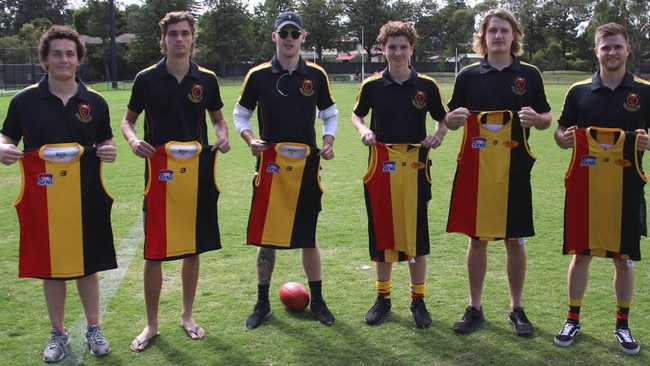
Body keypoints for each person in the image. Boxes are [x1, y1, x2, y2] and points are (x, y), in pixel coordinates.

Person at [0, 25, 116, 362]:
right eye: (57, 54)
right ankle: (58, 332)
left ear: (78, 60)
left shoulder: (95, 101)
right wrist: (3, 149)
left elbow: (105, 139)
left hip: (87, 194)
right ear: (45, 60)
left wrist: (108, 149)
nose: (64, 59)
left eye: (69, 54)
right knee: (51, 267)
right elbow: (6, 137)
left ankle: (94, 327)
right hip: (44, 198)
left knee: (87, 264)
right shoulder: (24, 101)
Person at [121, 11, 231, 352]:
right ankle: (152, 324)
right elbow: (127, 121)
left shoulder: (207, 79)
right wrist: (132, 140)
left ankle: (186, 315)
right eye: (173, 34)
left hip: (196, 174)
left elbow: (218, 120)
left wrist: (223, 137)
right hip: (159, 174)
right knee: (153, 252)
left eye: (185, 33)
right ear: (163, 40)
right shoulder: (145, 79)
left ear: (193, 39)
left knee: (192, 248)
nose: (179, 39)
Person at [444, 8, 552, 337]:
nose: (499, 36)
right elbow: (448, 120)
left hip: (515, 169)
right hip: (476, 170)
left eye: (505, 30)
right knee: (477, 240)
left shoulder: (529, 75)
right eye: (492, 31)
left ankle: (516, 307)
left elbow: (547, 118)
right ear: (483, 37)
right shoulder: (468, 76)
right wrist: (455, 119)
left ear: (514, 35)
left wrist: (537, 119)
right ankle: (474, 306)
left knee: (513, 240)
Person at [233, 11, 338, 329]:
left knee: (308, 238)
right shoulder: (258, 75)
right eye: (284, 33)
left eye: (295, 33)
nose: (289, 38)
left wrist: (328, 140)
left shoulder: (316, 75)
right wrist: (250, 139)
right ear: (274, 37)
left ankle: (317, 301)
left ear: (303, 37)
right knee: (267, 238)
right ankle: (262, 303)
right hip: (271, 168)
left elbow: (330, 112)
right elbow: (240, 114)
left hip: (307, 167)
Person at [553, 22, 650, 355]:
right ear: (596, 51)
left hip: (626, 188)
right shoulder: (579, 91)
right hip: (586, 186)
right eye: (605, 47)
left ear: (628, 50)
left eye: (617, 47)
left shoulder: (644, 90)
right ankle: (572, 319)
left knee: (623, 259)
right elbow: (560, 132)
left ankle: (622, 325)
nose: (611, 52)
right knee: (581, 255)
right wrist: (563, 139)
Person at [351, 21, 447, 328]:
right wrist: (364, 130)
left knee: (415, 235)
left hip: (416, 169)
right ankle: (383, 298)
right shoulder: (372, 86)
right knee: (383, 234)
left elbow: (442, 119)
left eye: (403, 46)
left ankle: (418, 301)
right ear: (383, 49)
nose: (397, 52)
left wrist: (438, 135)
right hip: (381, 168)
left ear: (411, 49)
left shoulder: (427, 86)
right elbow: (356, 114)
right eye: (391, 47)